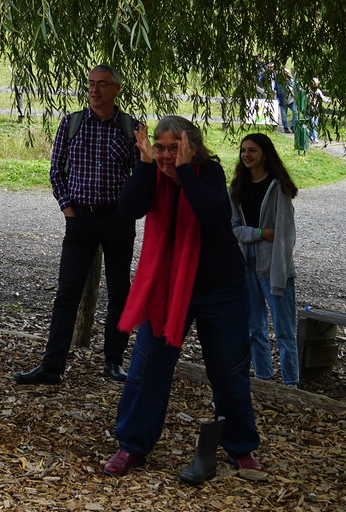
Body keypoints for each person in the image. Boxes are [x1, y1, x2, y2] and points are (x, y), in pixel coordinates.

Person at [102, 115, 262, 484]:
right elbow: (129, 208)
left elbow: (211, 215)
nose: (165, 155)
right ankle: (132, 444)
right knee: (148, 365)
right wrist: (145, 165)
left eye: (174, 148)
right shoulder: (152, 171)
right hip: (167, 286)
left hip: (219, 285)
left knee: (229, 369)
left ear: (192, 147)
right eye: (160, 148)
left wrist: (186, 172)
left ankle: (240, 446)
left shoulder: (209, 172)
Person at [15, 64, 138, 385]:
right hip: (80, 219)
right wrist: (68, 209)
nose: (95, 90)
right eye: (91, 84)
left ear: (116, 89)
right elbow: (56, 171)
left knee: (119, 292)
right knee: (67, 293)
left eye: (102, 84)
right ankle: (52, 366)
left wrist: (128, 212)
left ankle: (113, 361)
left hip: (117, 220)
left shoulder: (130, 128)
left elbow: (140, 177)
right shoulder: (72, 123)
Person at [230, 133, 299, 387]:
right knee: (254, 328)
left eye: (252, 150)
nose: (246, 155)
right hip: (246, 264)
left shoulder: (278, 188)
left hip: (274, 265)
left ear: (265, 155)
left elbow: (284, 234)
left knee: (284, 330)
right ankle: (263, 378)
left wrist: (280, 272)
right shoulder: (237, 188)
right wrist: (259, 233)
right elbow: (233, 228)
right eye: (243, 150)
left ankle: (291, 383)